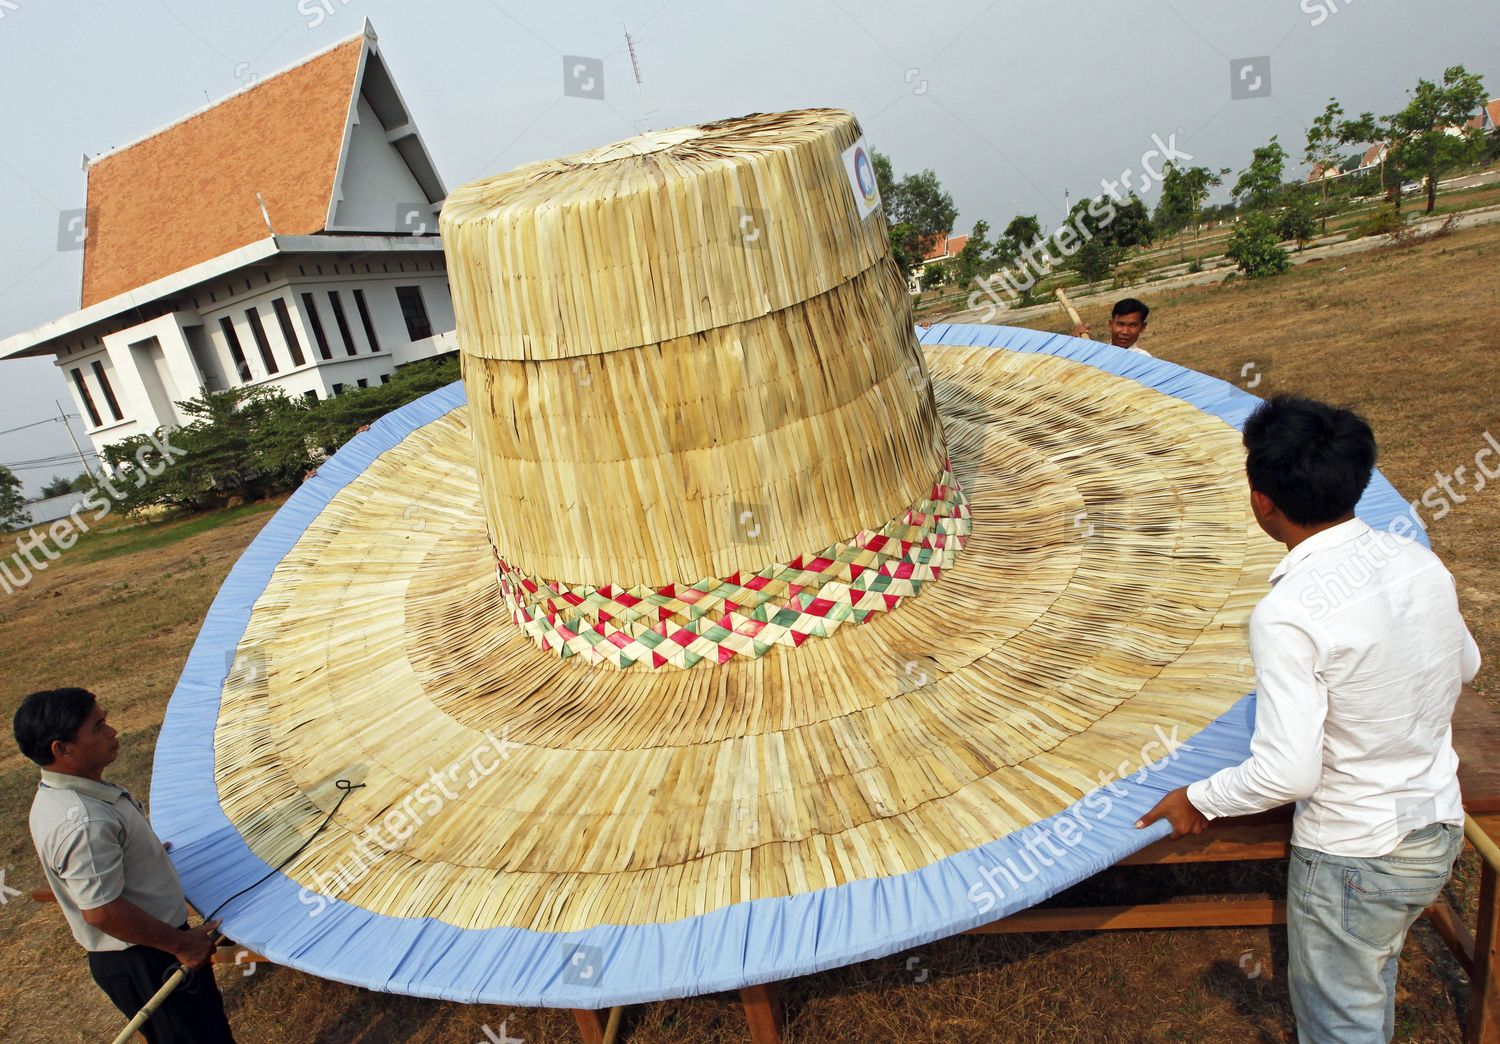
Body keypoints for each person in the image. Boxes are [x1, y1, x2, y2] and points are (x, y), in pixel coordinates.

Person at [1137, 396, 1480, 1043]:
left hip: (1355, 854)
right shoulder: (1414, 560)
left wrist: (1197, 798)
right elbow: (1464, 663)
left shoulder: (1290, 611)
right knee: (1367, 978)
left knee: (1338, 1021)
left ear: (1261, 499)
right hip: (1435, 829)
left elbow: (1288, 771)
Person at [14, 688, 236, 1043]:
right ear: (63, 749)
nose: (113, 731)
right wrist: (180, 945)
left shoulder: (71, 793)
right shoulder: (83, 821)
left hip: (146, 948)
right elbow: (102, 912)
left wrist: (140, 853)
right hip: (145, 955)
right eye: (98, 725)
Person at [1073, 298, 1152, 356]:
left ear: (1142, 327)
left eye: (1132, 325)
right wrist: (1075, 344)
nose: (1125, 332)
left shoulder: (1144, 359)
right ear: (1110, 324)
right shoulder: (1100, 353)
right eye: (1120, 324)